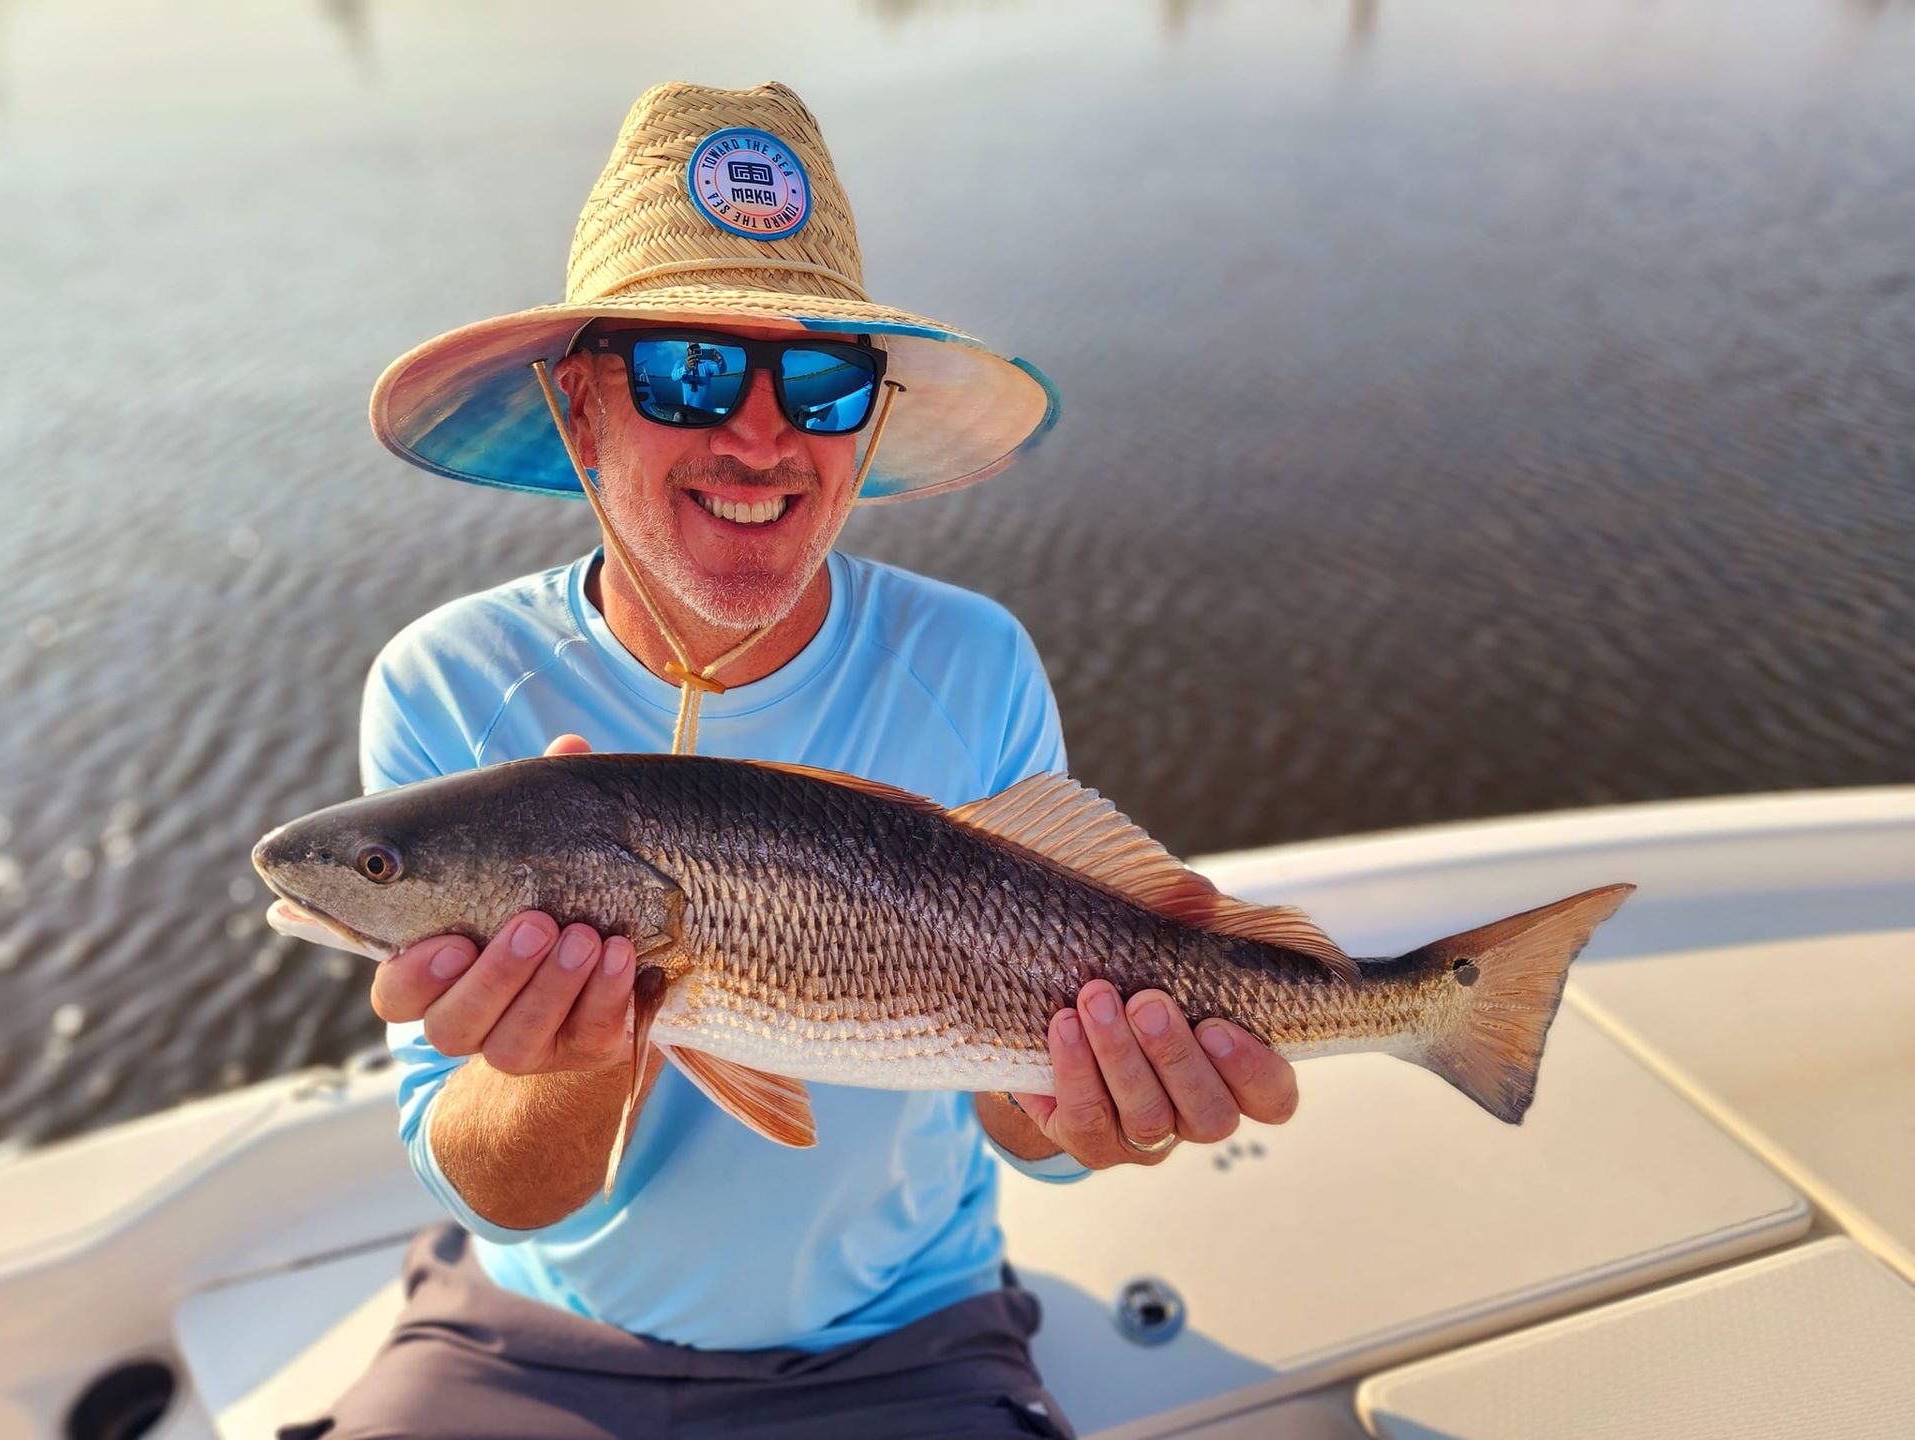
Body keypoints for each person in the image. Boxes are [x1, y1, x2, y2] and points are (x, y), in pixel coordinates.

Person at [296, 82, 1298, 1440]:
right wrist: (589, 1047)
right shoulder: (449, 684)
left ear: (867, 427)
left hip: (908, 1336)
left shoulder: (975, 659)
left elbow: (1022, 1127)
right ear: (580, 409)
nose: (760, 437)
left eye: (821, 382)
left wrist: (1090, 1108)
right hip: (535, 1338)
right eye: (686, 371)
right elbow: (493, 1192)